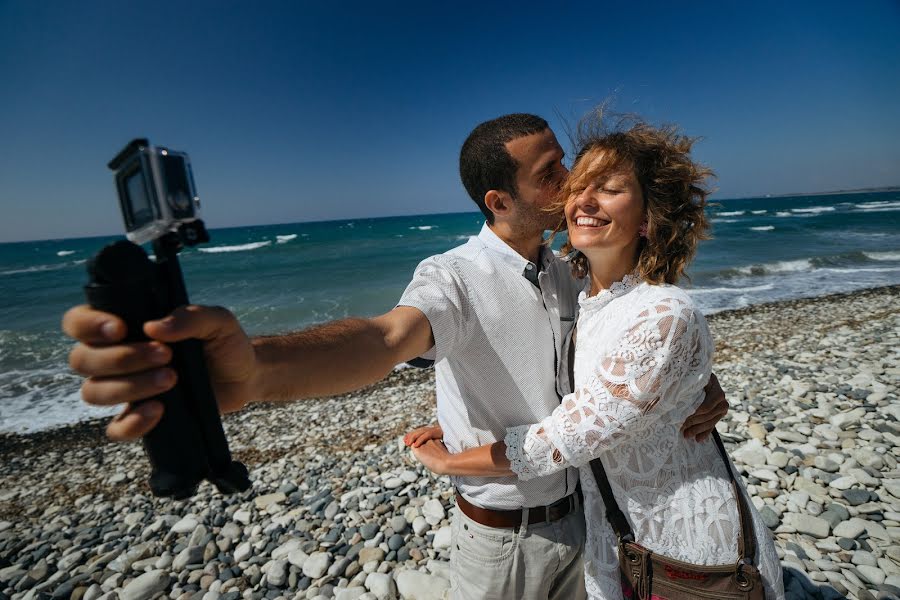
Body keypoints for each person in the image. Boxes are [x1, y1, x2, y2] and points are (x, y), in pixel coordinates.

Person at [62, 114, 728, 599]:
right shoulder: (453, 276)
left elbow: (629, 334)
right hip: (500, 538)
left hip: (586, 519)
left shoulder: (566, 270)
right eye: (551, 172)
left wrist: (694, 384)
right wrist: (257, 371)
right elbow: (383, 338)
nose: (571, 180)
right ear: (500, 201)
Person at [407, 118, 785, 599]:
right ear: (499, 202)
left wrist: (449, 463)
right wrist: (462, 419)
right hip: (604, 532)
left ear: (647, 219)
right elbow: (408, 337)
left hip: (680, 546)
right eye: (575, 182)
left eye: (606, 188)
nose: (577, 193)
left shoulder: (654, 307)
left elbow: (564, 437)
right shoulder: (571, 287)